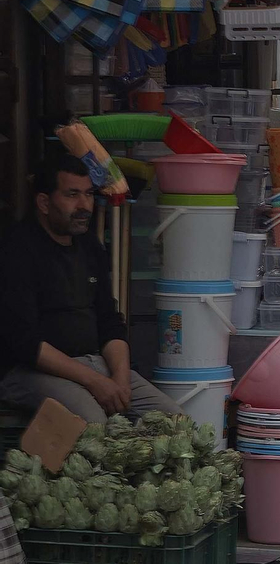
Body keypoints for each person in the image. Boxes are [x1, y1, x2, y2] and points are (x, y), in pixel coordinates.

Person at [0, 155, 182, 422]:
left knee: (175, 421)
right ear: (44, 203)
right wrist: (95, 382)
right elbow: (25, 344)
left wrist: (120, 380)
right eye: (72, 195)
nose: (85, 205)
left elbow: (110, 321)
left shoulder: (89, 246)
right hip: (30, 371)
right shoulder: (17, 251)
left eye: (88, 194)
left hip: (96, 364)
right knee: (94, 422)